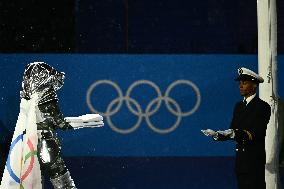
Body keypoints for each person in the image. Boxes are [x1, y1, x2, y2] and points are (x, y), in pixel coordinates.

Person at [0, 62, 103, 189]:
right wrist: (88, 121)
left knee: (32, 184)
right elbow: (60, 123)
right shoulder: (46, 94)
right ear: (43, 76)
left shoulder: (27, 96)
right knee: (65, 186)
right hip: (47, 146)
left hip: (29, 146)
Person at [202, 67, 271, 189]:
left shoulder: (262, 107)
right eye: (240, 83)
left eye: (244, 83)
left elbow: (255, 133)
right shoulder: (238, 106)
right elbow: (232, 130)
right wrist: (217, 135)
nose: (241, 86)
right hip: (241, 162)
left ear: (254, 85)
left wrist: (233, 133)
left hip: (254, 161)